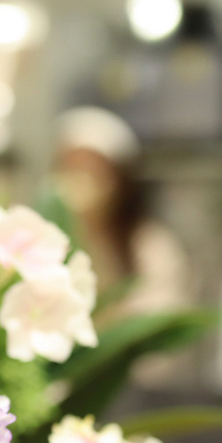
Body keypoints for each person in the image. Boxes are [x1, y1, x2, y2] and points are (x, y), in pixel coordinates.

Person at [45, 106, 194, 319]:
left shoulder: (150, 245)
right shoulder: (44, 241)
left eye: (93, 170)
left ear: (120, 180)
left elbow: (160, 316)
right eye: (70, 167)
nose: (81, 179)